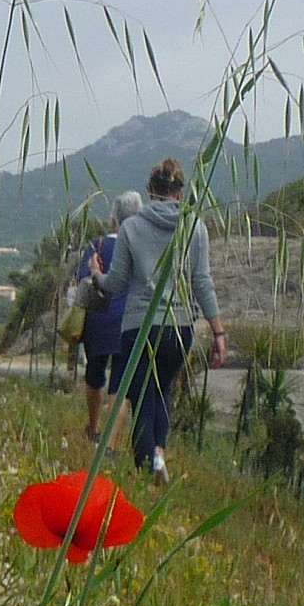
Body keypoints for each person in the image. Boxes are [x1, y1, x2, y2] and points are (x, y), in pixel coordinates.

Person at [94, 157, 227, 481]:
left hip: (139, 326)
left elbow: (116, 283)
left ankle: (150, 465)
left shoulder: (131, 227)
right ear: (180, 192)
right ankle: (156, 456)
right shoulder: (195, 227)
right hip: (179, 327)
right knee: (162, 391)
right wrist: (218, 332)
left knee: (140, 396)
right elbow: (202, 282)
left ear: (150, 190)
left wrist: (97, 275)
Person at [74, 191, 144, 442]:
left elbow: (83, 278)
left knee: (95, 375)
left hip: (98, 321)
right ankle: (110, 443)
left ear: (113, 221)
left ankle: (93, 429)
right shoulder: (140, 248)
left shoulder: (98, 245)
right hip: (129, 322)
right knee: (120, 382)